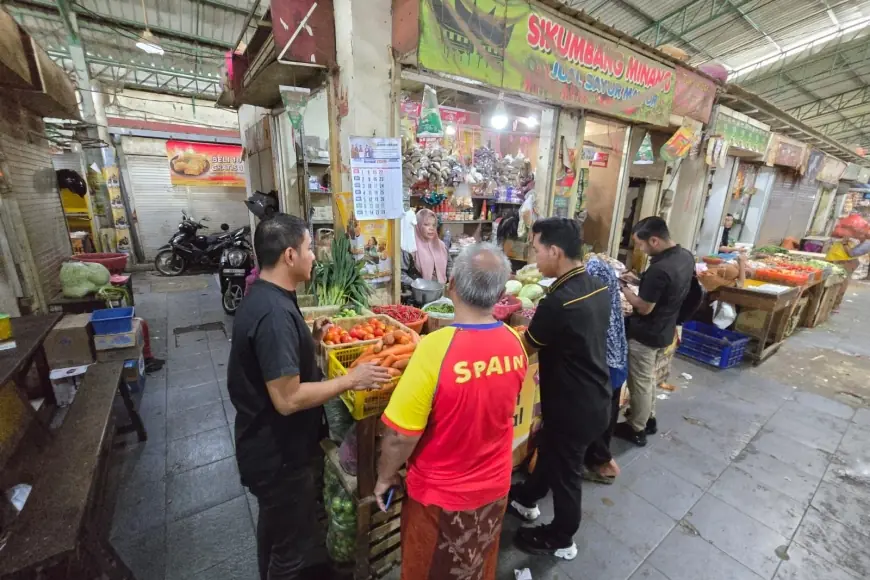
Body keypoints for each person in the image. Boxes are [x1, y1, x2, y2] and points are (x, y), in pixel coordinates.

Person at [227, 213, 391, 580]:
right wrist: (350, 380)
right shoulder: (274, 315)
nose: (314, 256)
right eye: (309, 248)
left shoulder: (267, 297)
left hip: (266, 447)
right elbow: (288, 399)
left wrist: (310, 341)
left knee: (275, 531)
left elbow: (273, 365)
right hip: (279, 457)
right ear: (289, 255)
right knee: (291, 552)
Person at [375, 243, 526, 580]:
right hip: (494, 489)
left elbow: (400, 436)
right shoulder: (514, 342)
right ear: (500, 293)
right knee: (477, 565)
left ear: (452, 284)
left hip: (440, 500)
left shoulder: (434, 349)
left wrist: (385, 477)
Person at [508, 217, 611, 560]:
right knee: (551, 451)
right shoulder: (597, 285)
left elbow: (528, 346)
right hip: (596, 393)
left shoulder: (558, 300)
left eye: (536, 250)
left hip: (572, 405)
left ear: (555, 251)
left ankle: (562, 537)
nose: (534, 258)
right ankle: (526, 498)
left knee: (567, 473)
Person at [617, 217, 694, 446]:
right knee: (648, 377)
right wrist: (639, 280)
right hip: (666, 328)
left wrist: (623, 288)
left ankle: (636, 428)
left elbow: (644, 307)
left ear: (654, 240)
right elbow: (668, 288)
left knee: (639, 382)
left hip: (646, 334)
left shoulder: (660, 269)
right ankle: (648, 419)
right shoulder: (685, 256)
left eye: (641, 244)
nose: (640, 249)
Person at [581, 255, 629, 484]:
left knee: (601, 413)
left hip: (607, 362)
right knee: (608, 410)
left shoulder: (598, 301)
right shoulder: (610, 299)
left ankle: (602, 463)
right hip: (616, 359)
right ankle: (601, 459)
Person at [400, 208, 452, 291]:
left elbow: (449, 266)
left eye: (434, 225)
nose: (431, 228)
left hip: (441, 292)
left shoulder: (441, 246)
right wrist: (417, 285)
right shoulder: (410, 247)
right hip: (419, 294)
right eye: (426, 224)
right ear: (418, 225)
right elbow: (400, 273)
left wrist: (451, 280)